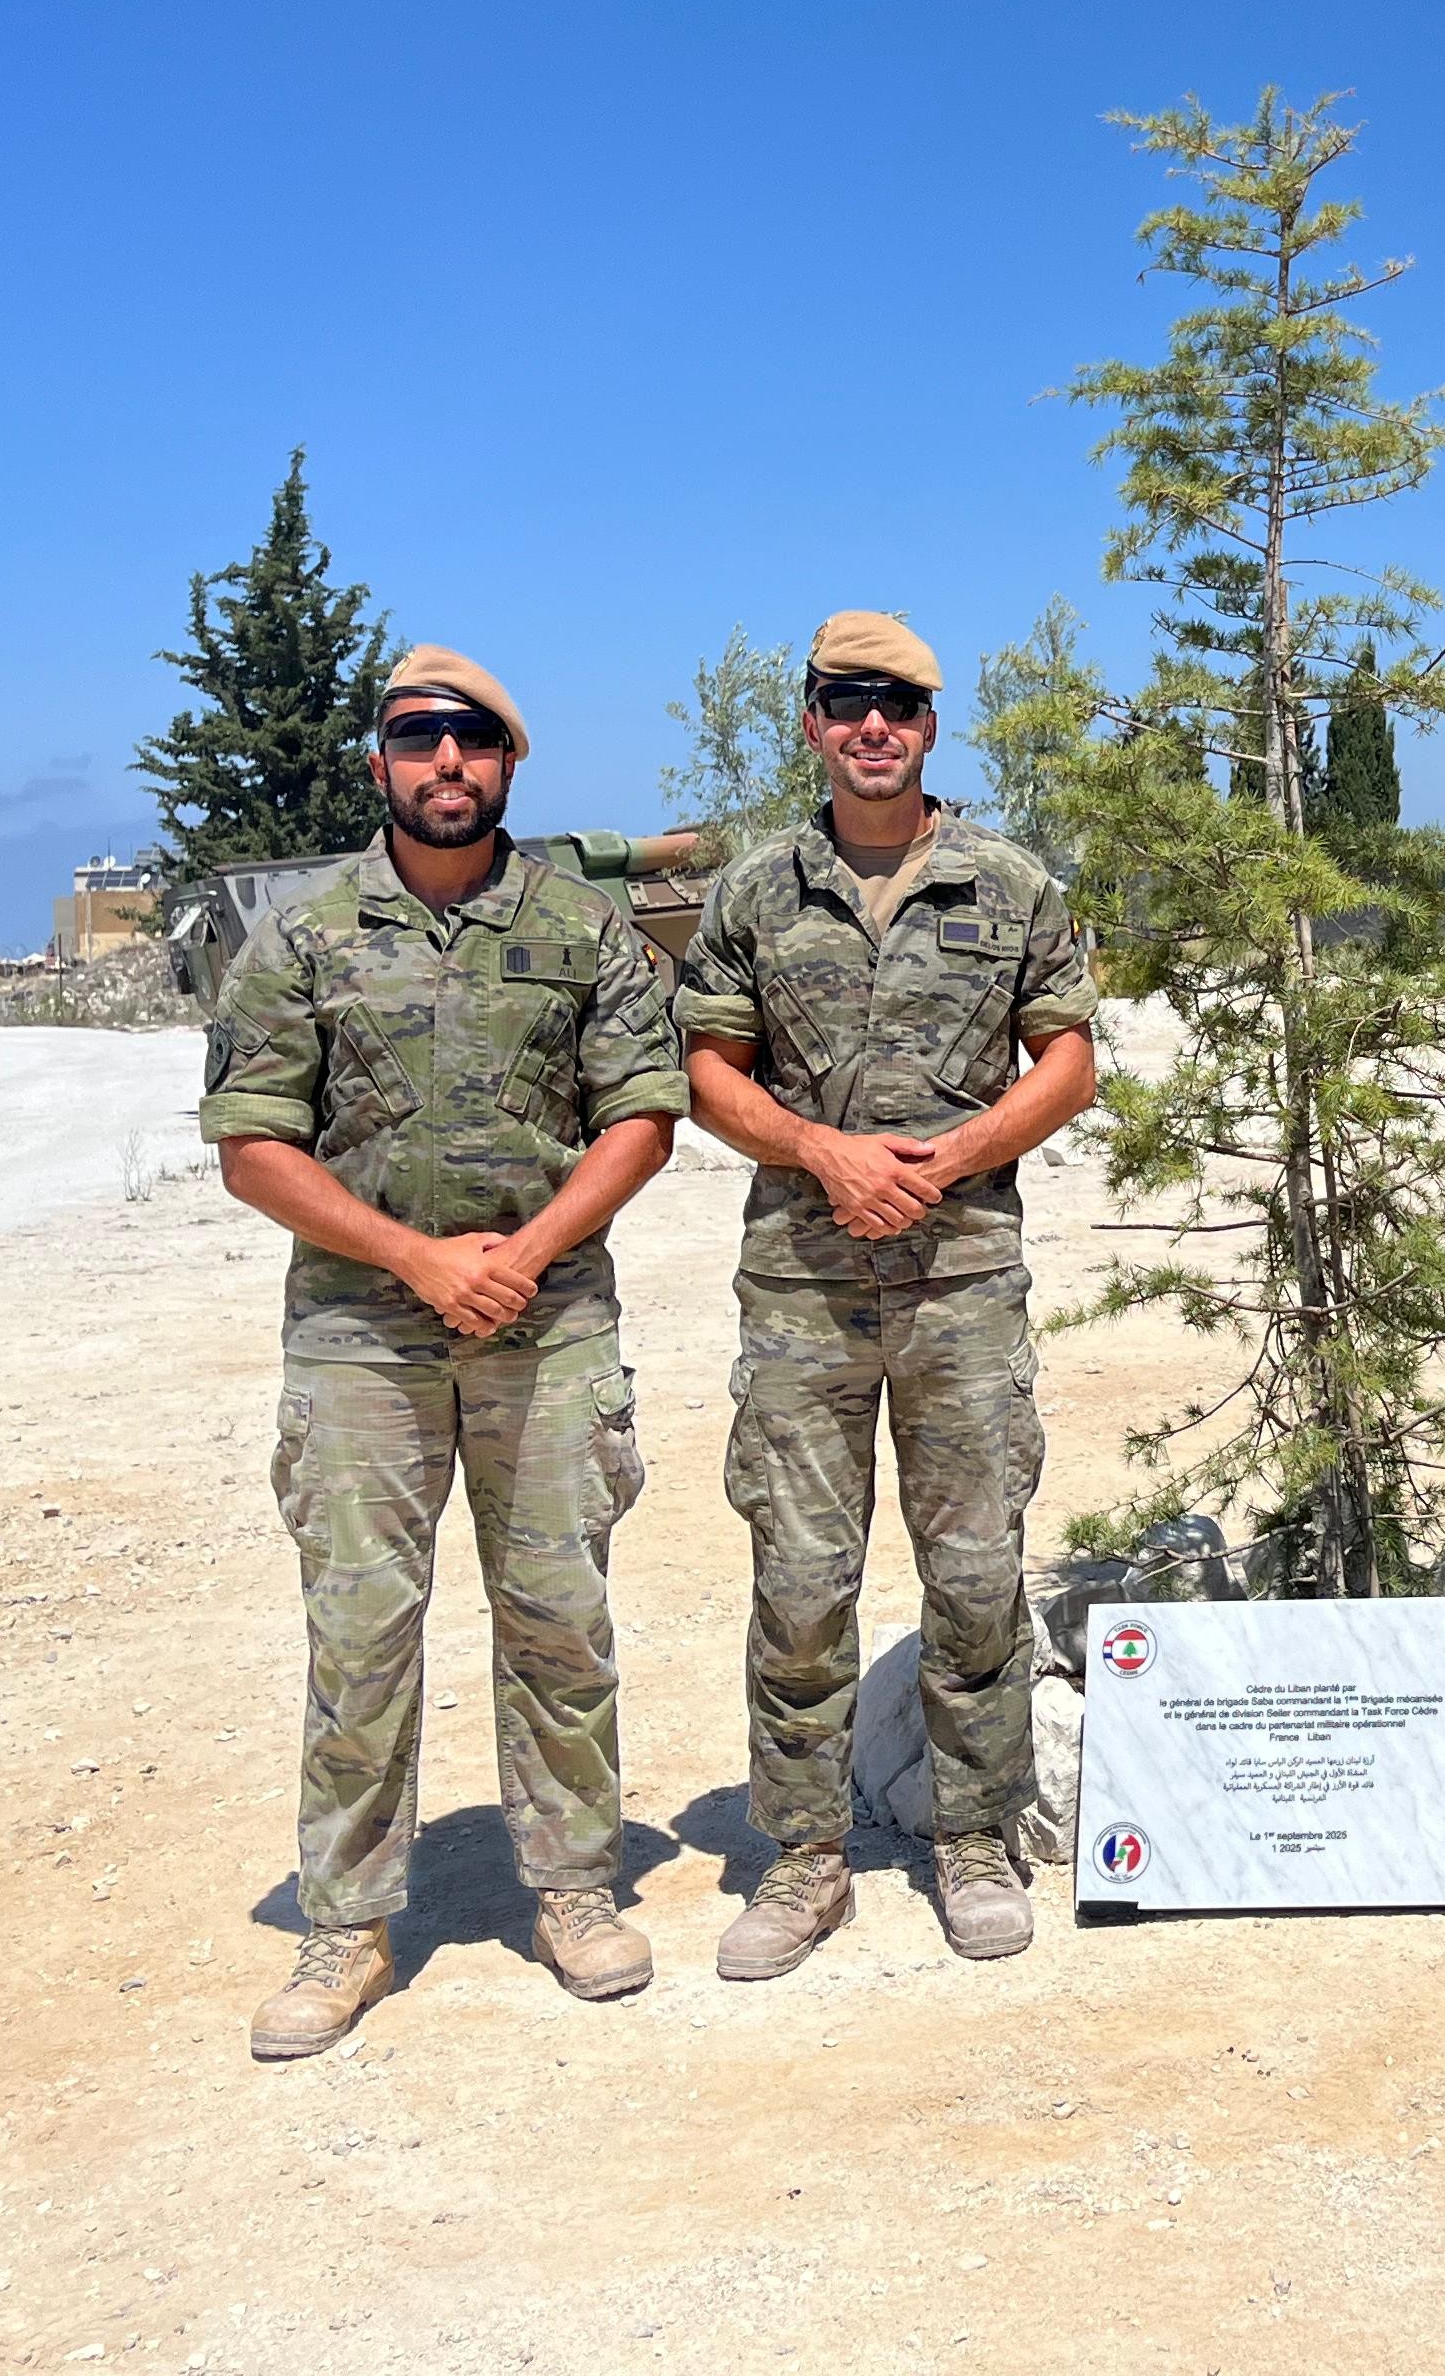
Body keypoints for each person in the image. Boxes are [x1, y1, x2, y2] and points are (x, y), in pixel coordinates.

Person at [203, 649, 690, 2061]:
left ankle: (576, 1891)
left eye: (473, 740)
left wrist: (521, 1258)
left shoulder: (585, 931)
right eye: (418, 738)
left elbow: (641, 1119)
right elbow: (253, 1148)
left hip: (548, 1327)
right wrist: (418, 1259)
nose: (447, 762)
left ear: (510, 765)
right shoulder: (301, 938)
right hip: (363, 1335)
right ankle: (346, 1926)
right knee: (360, 1632)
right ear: (381, 766)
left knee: (558, 1621)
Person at [676, 613, 1099, 1972]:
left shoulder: (1010, 885)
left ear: (931, 726)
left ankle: (973, 1833)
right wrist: (822, 1154)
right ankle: (803, 1857)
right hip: (803, 1282)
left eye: (898, 705)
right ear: (812, 721)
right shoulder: (755, 893)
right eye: (847, 703)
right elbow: (708, 1073)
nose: (873, 726)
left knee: (975, 1571)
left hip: (962, 1280)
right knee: (801, 1579)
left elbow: (1070, 1059)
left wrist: (960, 1155)